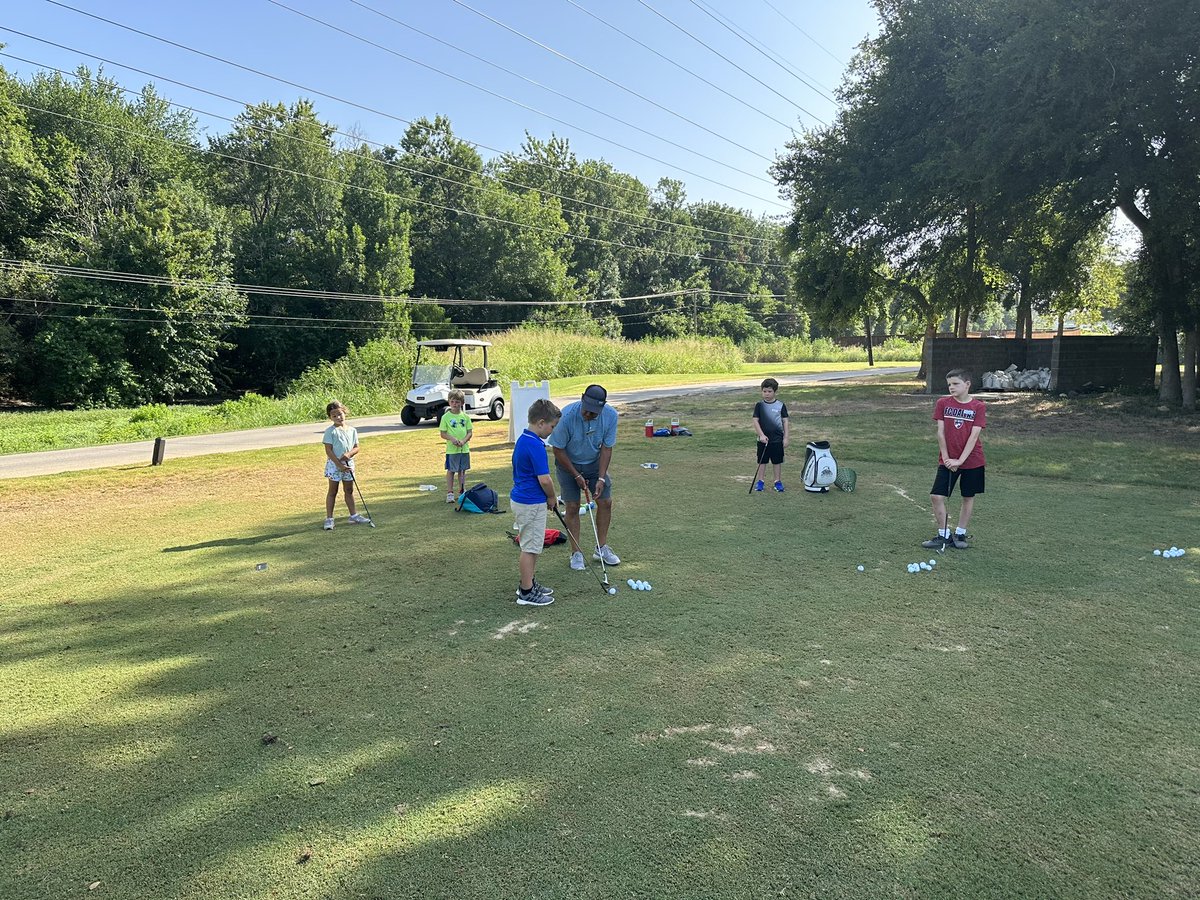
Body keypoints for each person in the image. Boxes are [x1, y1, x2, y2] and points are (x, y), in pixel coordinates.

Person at [549, 384, 620, 571]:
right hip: (567, 465)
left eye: (593, 413)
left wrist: (601, 478)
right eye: (586, 410)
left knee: (605, 502)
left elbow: (607, 448)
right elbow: (558, 449)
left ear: (602, 407)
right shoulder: (566, 416)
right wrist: (576, 475)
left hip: (594, 464)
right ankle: (576, 553)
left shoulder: (611, 416)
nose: (588, 415)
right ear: (582, 398)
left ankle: (601, 548)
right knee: (572, 506)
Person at [922, 368, 986, 550]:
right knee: (936, 496)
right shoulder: (943, 403)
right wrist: (947, 458)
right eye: (949, 384)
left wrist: (960, 461)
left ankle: (960, 533)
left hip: (972, 460)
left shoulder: (978, 406)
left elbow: (974, 436)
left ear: (967, 384)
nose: (951, 387)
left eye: (956, 384)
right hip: (948, 460)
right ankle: (943, 536)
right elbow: (940, 433)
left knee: (968, 496)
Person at [511, 398, 562, 606]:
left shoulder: (524, 439)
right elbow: (545, 479)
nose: (552, 431)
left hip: (525, 500)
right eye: (552, 426)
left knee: (533, 544)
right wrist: (552, 497)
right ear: (541, 423)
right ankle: (526, 592)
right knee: (530, 547)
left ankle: (529, 582)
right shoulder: (535, 445)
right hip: (530, 503)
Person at [322, 400, 371, 530]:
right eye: (334, 416)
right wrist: (339, 465)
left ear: (344, 412)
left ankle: (353, 515)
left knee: (349, 490)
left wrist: (349, 454)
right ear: (330, 417)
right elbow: (328, 451)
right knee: (333, 491)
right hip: (334, 464)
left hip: (348, 463)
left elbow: (356, 447)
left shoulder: (352, 430)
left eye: (340, 414)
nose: (338, 417)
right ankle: (329, 519)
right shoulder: (330, 431)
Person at [752, 377, 790, 492]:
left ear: (775, 391)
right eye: (764, 391)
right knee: (762, 461)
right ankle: (760, 481)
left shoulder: (780, 405)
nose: (767, 394)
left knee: (777, 461)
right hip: (763, 440)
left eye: (769, 391)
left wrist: (786, 437)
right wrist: (761, 435)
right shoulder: (759, 405)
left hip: (777, 439)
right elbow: (755, 420)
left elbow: (785, 421)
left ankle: (777, 481)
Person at [439, 389, 473, 504]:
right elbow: (443, 433)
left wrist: (463, 441)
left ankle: (462, 491)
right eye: (452, 401)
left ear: (462, 403)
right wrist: (452, 439)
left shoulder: (466, 417)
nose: (455, 404)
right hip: (452, 450)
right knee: (451, 470)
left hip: (464, 449)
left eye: (457, 402)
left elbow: (469, 432)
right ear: (449, 402)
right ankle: (450, 493)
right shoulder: (445, 417)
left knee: (462, 471)